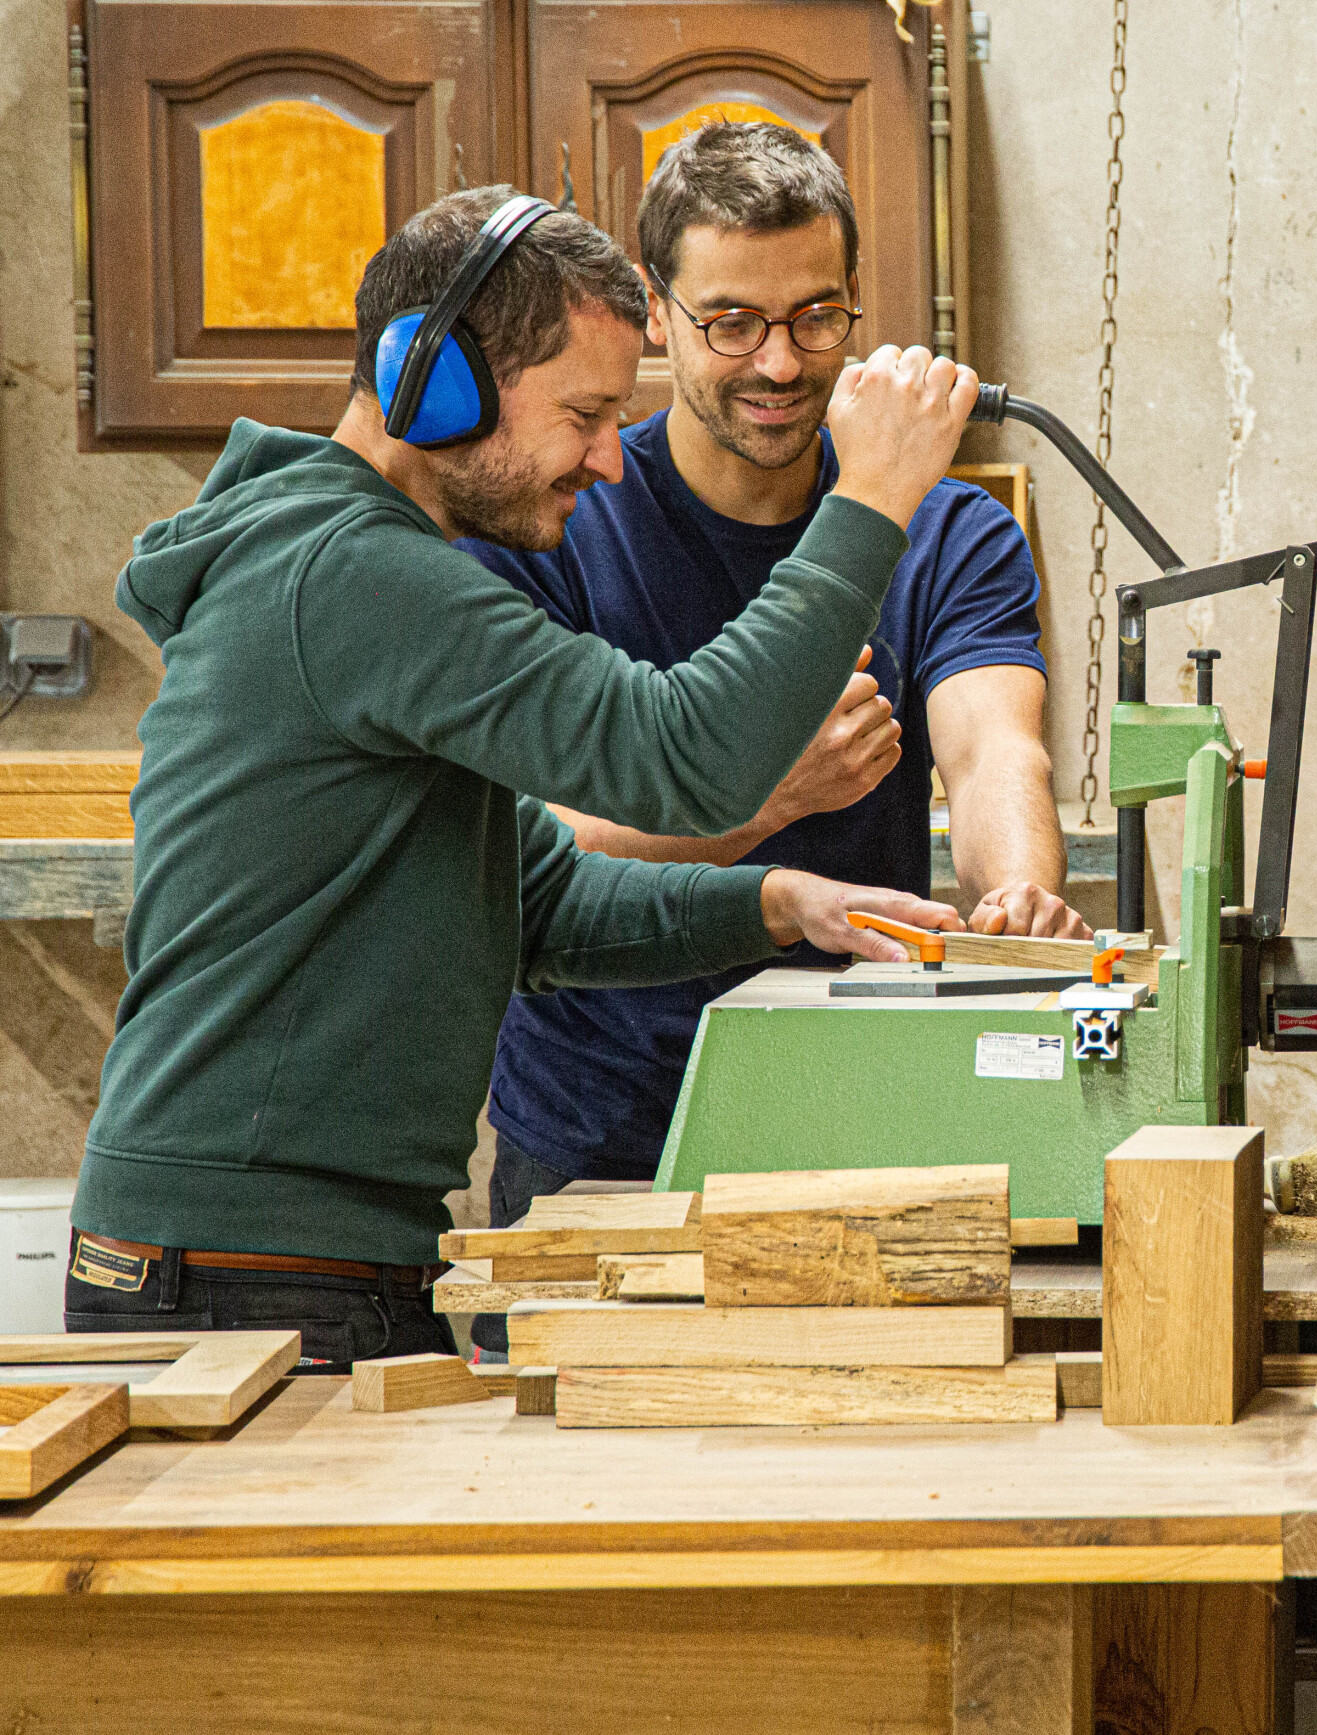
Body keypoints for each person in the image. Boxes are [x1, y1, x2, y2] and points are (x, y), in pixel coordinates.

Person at [65, 185, 976, 1367]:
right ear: (434, 385)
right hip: (245, 1267)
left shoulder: (356, 568)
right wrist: (872, 499)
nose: (608, 461)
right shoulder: (357, 575)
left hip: (294, 1255)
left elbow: (538, 901)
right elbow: (685, 753)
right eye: (585, 414)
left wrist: (778, 900)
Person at [463, 123, 1085, 1276]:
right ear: (655, 309)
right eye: (732, 322)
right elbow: (524, 853)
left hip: (863, 1108)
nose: (782, 364)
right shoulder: (554, 522)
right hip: (600, 1135)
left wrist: (1019, 907)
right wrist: (758, 794)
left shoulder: (945, 530)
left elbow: (997, 751)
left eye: (815, 317)